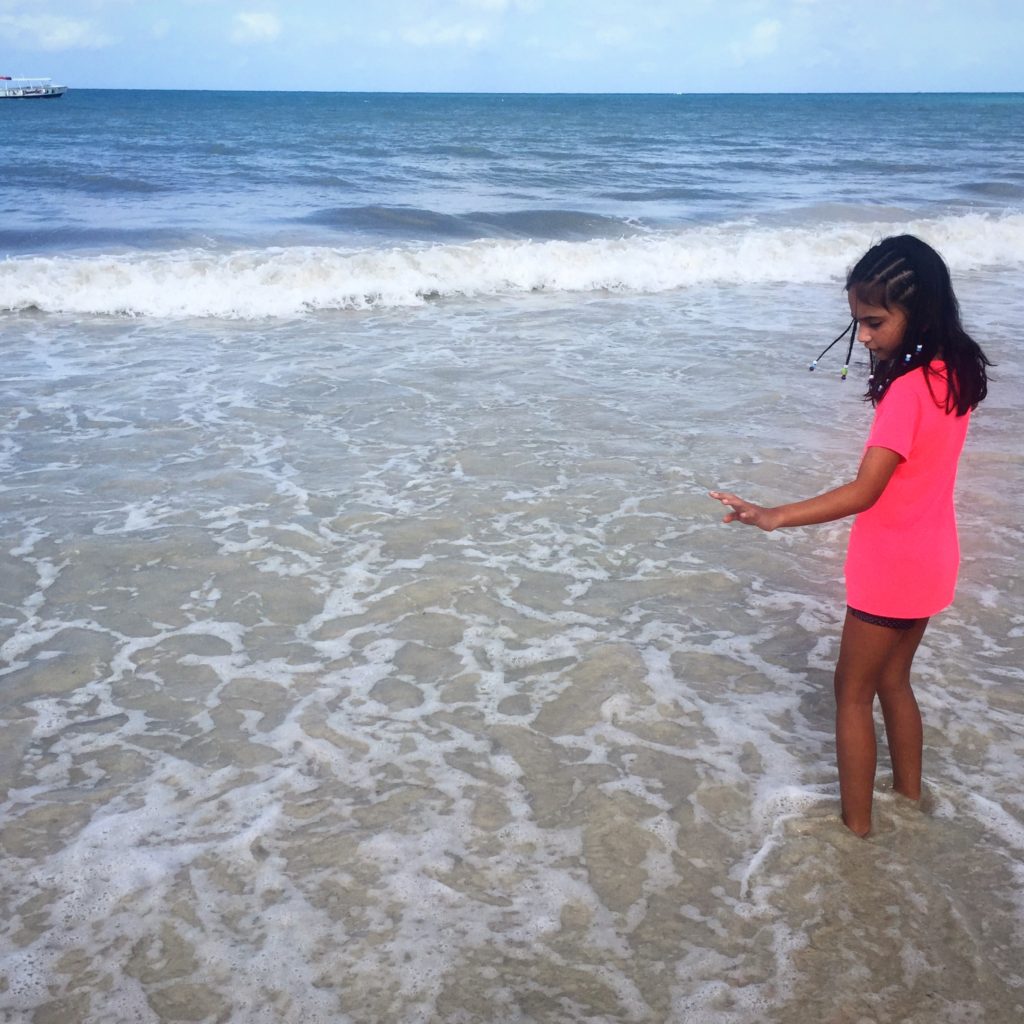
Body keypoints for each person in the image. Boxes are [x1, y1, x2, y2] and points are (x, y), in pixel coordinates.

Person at [709, 235, 991, 838]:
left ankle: (857, 835)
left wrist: (773, 515)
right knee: (894, 680)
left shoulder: (907, 392)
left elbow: (866, 491)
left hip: (890, 564)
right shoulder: (952, 374)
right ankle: (910, 800)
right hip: (935, 555)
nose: (862, 336)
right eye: (857, 322)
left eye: (874, 322)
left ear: (919, 312)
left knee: (852, 693)